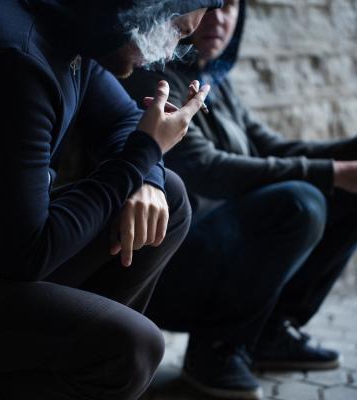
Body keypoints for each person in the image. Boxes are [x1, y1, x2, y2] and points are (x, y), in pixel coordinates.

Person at [0, 0, 222, 399]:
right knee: (131, 347)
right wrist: (144, 153)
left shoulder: (71, 29)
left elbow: (123, 120)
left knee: (171, 198)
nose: (169, 53)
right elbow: (27, 255)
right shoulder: (16, 57)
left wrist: (146, 173)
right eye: (177, 31)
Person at [123, 0, 357, 398]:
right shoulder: (155, 77)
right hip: (163, 269)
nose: (220, 18)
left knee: (349, 194)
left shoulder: (214, 80)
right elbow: (208, 169)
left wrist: (348, 154)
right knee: (300, 203)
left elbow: (269, 147)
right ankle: (215, 349)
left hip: (214, 255)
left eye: (231, 7)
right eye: (209, 6)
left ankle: (268, 335)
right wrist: (332, 172)